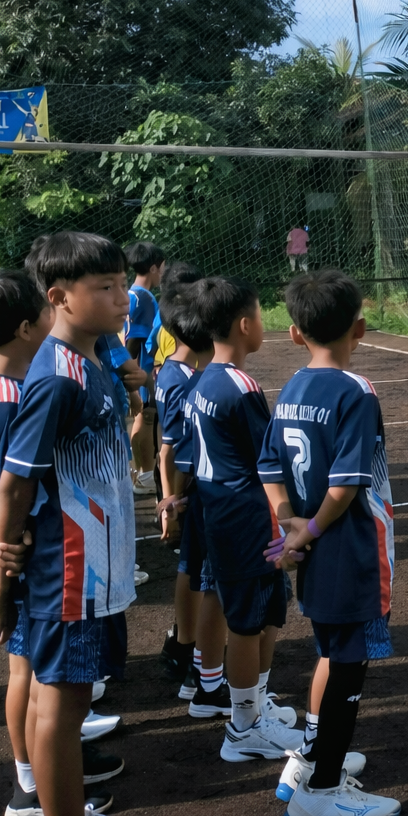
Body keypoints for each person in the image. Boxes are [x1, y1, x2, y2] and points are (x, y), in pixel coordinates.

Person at [0, 232, 151, 816]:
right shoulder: (56, 377)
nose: (122, 297)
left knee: (73, 699)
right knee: (62, 701)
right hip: (71, 571)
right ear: (59, 297)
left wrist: (134, 387)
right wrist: (1, 577)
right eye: (105, 287)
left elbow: (120, 371)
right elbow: (14, 483)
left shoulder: (95, 353)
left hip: (96, 568)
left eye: (122, 283)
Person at [0, 270, 121, 816]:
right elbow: (7, 488)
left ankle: (42, 781)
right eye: (48, 311)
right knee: (29, 675)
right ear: (30, 326)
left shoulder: (0, 383)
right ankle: (31, 787)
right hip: (25, 559)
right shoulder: (9, 397)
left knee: (34, 676)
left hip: (15, 552)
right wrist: (8, 558)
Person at [260, 269, 400, 816]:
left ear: (295, 333)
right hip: (350, 550)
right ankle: (321, 792)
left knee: (332, 653)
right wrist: (309, 530)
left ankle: (310, 762)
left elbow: (269, 466)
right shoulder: (355, 391)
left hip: (314, 551)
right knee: (348, 667)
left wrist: (289, 524)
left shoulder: (291, 387)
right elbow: (345, 486)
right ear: (359, 328)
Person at [185, 276, 303, 761]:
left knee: (264, 612)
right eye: (259, 314)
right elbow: (268, 459)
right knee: (249, 622)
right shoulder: (240, 386)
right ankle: (243, 726)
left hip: (224, 515)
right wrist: (291, 517)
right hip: (247, 520)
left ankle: (255, 708)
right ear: (244, 324)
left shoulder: (205, 380)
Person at [152, 264, 227, 715]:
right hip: (198, 490)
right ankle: (193, 657)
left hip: (188, 489)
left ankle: (187, 649)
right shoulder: (188, 380)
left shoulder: (170, 372)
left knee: (192, 569)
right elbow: (173, 451)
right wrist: (173, 501)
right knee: (203, 576)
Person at [123, 242, 166, 497]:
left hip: (135, 369)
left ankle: (142, 474)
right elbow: (135, 340)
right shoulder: (146, 298)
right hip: (142, 370)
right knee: (146, 419)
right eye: (162, 267)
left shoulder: (129, 293)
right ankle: (146, 475)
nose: (163, 273)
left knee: (141, 419)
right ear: (153, 268)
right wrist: (135, 376)